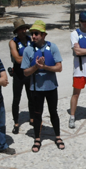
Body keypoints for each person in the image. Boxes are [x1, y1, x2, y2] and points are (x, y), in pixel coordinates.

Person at [21, 20, 65, 152]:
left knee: (53, 112)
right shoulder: (28, 50)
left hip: (51, 87)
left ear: (44, 35)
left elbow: (59, 68)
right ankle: (37, 138)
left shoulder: (53, 47)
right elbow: (25, 72)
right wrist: (36, 66)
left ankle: (57, 136)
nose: (33, 36)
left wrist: (45, 67)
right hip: (36, 89)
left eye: (37, 33)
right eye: (32, 33)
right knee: (37, 114)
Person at [9, 18, 33, 134]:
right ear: (17, 31)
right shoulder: (13, 42)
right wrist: (30, 58)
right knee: (16, 98)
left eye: (24, 28)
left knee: (31, 96)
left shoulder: (30, 40)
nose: (24, 31)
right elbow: (17, 59)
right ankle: (16, 122)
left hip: (29, 72)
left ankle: (32, 117)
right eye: (21, 29)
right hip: (18, 73)